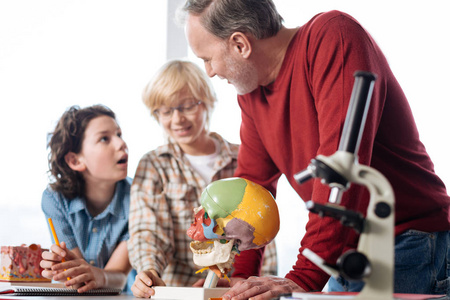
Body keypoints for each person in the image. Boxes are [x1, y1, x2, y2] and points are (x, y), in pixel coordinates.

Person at [180, 0, 450, 299]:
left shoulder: (332, 36)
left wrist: (305, 276)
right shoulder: (252, 93)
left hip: (406, 242)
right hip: (343, 254)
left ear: (240, 44)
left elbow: (341, 167)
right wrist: (239, 278)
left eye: (207, 58)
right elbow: (249, 192)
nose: (210, 72)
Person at [127, 59, 277, 298]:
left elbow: (260, 229)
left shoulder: (244, 159)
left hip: (242, 292)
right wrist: (149, 269)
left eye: (187, 106)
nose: (177, 119)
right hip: (181, 293)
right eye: (165, 111)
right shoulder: (154, 165)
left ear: (207, 102)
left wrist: (255, 281)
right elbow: (147, 231)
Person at [40, 105, 136, 293]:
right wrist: (62, 270)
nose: (121, 144)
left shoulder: (139, 197)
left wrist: (94, 275)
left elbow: (119, 277)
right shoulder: (54, 199)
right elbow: (78, 278)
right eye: (104, 139)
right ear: (75, 161)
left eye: (119, 134)